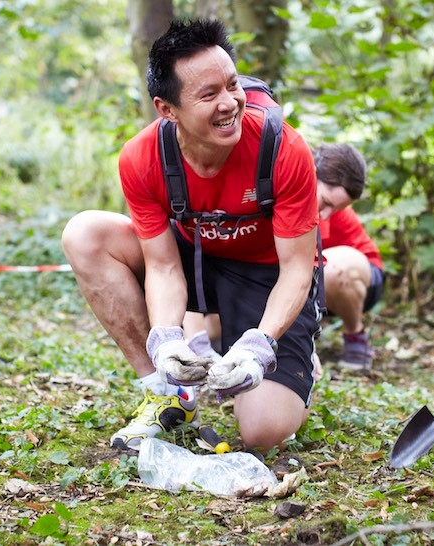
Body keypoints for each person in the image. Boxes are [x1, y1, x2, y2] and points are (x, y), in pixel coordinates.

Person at [61, 18, 322, 452]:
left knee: (264, 431)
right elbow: (162, 265)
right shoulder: (141, 157)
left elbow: (298, 266)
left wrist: (261, 343)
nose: (230, 104)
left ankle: (295, 356)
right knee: (86, 232)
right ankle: (168, 397)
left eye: (232, 85)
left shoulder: (282, 148)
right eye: (208, 95)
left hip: (266, 272)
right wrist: (165, 338)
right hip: (194, 259)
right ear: (167, 109)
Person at [185, 143, 385, 372]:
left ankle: (355, 335)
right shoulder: (276, 189)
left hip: (351, 274)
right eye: (327, 203)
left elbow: (302, 273)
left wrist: (304, 342)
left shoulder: (316, 215)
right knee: (215, 325)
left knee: (329, 271)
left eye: (336, 209)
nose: (327, 214)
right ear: (307, 175)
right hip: (297, 274)